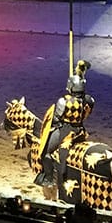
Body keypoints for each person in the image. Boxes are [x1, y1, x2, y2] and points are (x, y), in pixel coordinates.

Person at [34, 59, 95, 197]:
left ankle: (49, 179)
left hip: (66, 132)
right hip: (80, 131)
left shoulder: (64, 101)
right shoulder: (89, 100)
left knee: (45, 152)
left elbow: (56, 118)